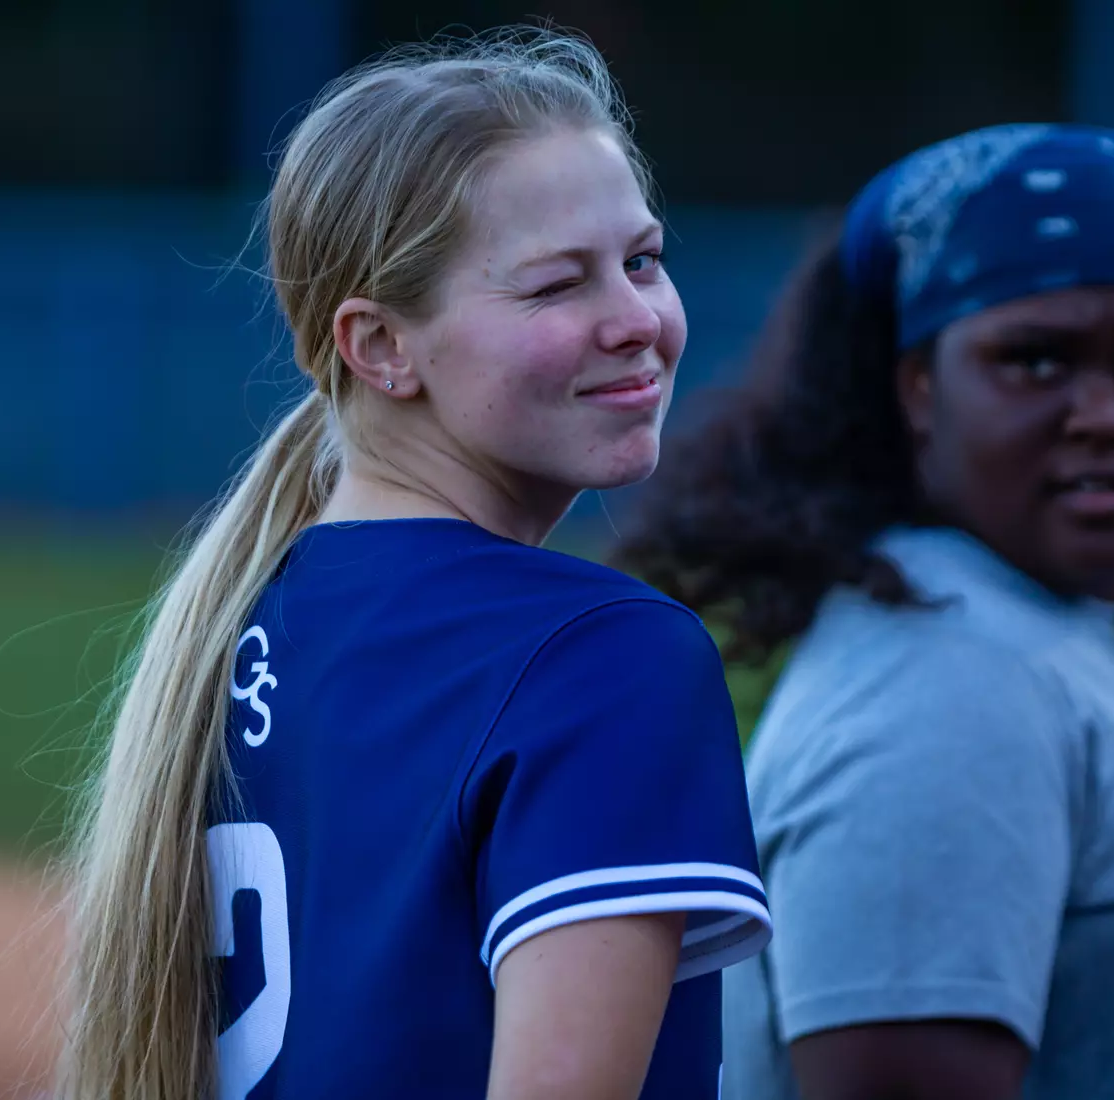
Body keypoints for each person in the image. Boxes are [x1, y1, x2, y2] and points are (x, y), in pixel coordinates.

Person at [55, 28, 770, 1100]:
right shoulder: (603, 655)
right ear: (380, 347)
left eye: (642, 260)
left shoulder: (243, 620)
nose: (639, 322)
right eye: (556, 286)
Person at [615, 123, 1114, 1100]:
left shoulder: (1007, 623)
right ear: (917, 385)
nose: (1108, 413)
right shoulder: (944, 682)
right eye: (1037, 358)